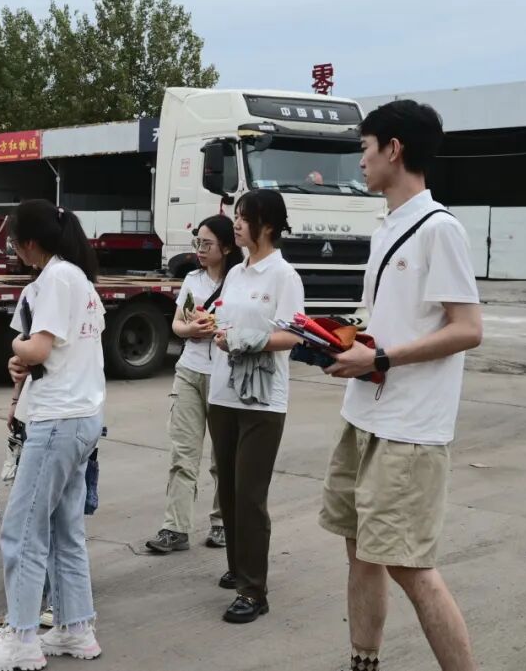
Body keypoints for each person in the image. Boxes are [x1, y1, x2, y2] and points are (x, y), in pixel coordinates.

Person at [319, 100, 482, 671]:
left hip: (410, 429)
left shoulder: (440, 230)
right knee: (360, 549)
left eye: (365, 148)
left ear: (394, 149)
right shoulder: (387, 227)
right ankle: (364, 660)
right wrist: (343, 344)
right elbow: (391, 322)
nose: (360, 160)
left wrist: (382, 357)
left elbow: (468, 329)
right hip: (365, 414)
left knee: (410, 567)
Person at [0, 200, 106, 670]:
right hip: (81, 416)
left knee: (22, 530)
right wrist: (24, 361)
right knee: (65, 529)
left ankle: (21, 637)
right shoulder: (77, 279)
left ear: (28, 242)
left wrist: (16, 346)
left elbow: (39, 347)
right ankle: (75, 628)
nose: (13, 249)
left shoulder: (54, 279)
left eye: (13, 241)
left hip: (58, 420)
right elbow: (55, 353)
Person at [207, 189, 304, 623]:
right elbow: (224, 320)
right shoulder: (235, 273)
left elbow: (294, 335)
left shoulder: (284, 276)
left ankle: (253, 590)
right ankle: (238, 565)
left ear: (266, 225)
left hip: (263, 399)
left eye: (244, 218)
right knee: (228, 489)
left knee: (250, 494)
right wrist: (212, 328)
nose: (237, 224)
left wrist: (247, 340)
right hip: (223, 391)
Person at [145, 215, 242, 554]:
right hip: (189, 370)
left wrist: (220, 332)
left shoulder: (240, 281)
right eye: (197, 242)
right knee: (183, 454)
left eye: (206, 243)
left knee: (223, 457)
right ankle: (175, 528)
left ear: (226, 247)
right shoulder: (192, 280)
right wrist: (192, 330)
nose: (199, 249)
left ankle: (222, 523)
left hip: (225, 375)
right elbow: (178, 324)